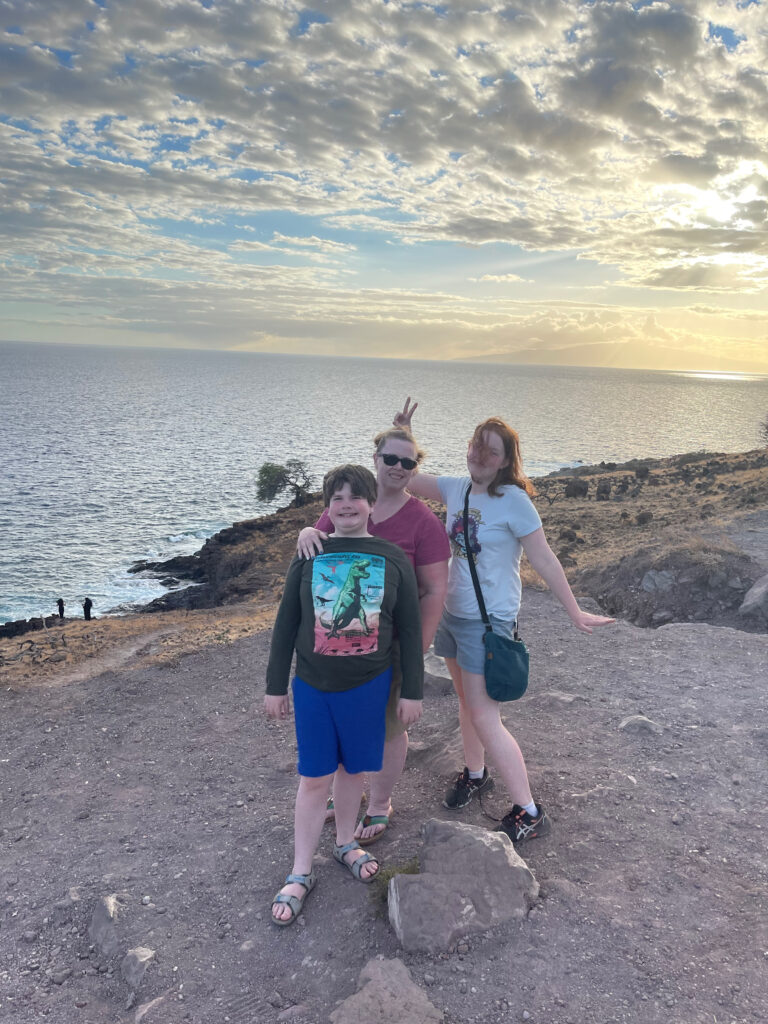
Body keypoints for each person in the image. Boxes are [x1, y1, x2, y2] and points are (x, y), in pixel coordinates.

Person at [396, 398, 615, 844]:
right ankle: (476, 774)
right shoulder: (456, 488)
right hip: (452, 615)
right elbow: (403, 476)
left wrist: (573, 610)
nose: (479, 455)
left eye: (491, 451)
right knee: (465, 703)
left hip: (488, 622)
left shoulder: (513, 501)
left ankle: (530, 811)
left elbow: (544, 559)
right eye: (477, 445)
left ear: (505, 461)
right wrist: (403, 435)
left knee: (485, 714)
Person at [265, 464, 424, 925]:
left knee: (355, 771)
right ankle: (300, 870)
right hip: (314, 688)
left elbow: (410, 631)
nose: (347, 504)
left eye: (356, 496)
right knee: (315, 779)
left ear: (372, 503)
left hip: (369, 687)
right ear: (326, 506)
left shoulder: (393, 558)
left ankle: (345, 844)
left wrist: (411, 691)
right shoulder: (309, 553)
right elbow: (286, 625)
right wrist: (276, 686)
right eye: (337, 497)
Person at [297, 426, 449, 844]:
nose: (399, 468)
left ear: (416, 468)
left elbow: (436, 588)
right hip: (339, 646)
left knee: (389, 726)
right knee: (345, 719)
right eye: (391, 459)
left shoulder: (423, 521)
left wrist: (420, 646)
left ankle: (379, 803)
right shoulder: (351, 504)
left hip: (396, 643)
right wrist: (306, 531)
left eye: (409, 462)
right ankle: (340, 798)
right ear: (376, 459)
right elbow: (320, 549)